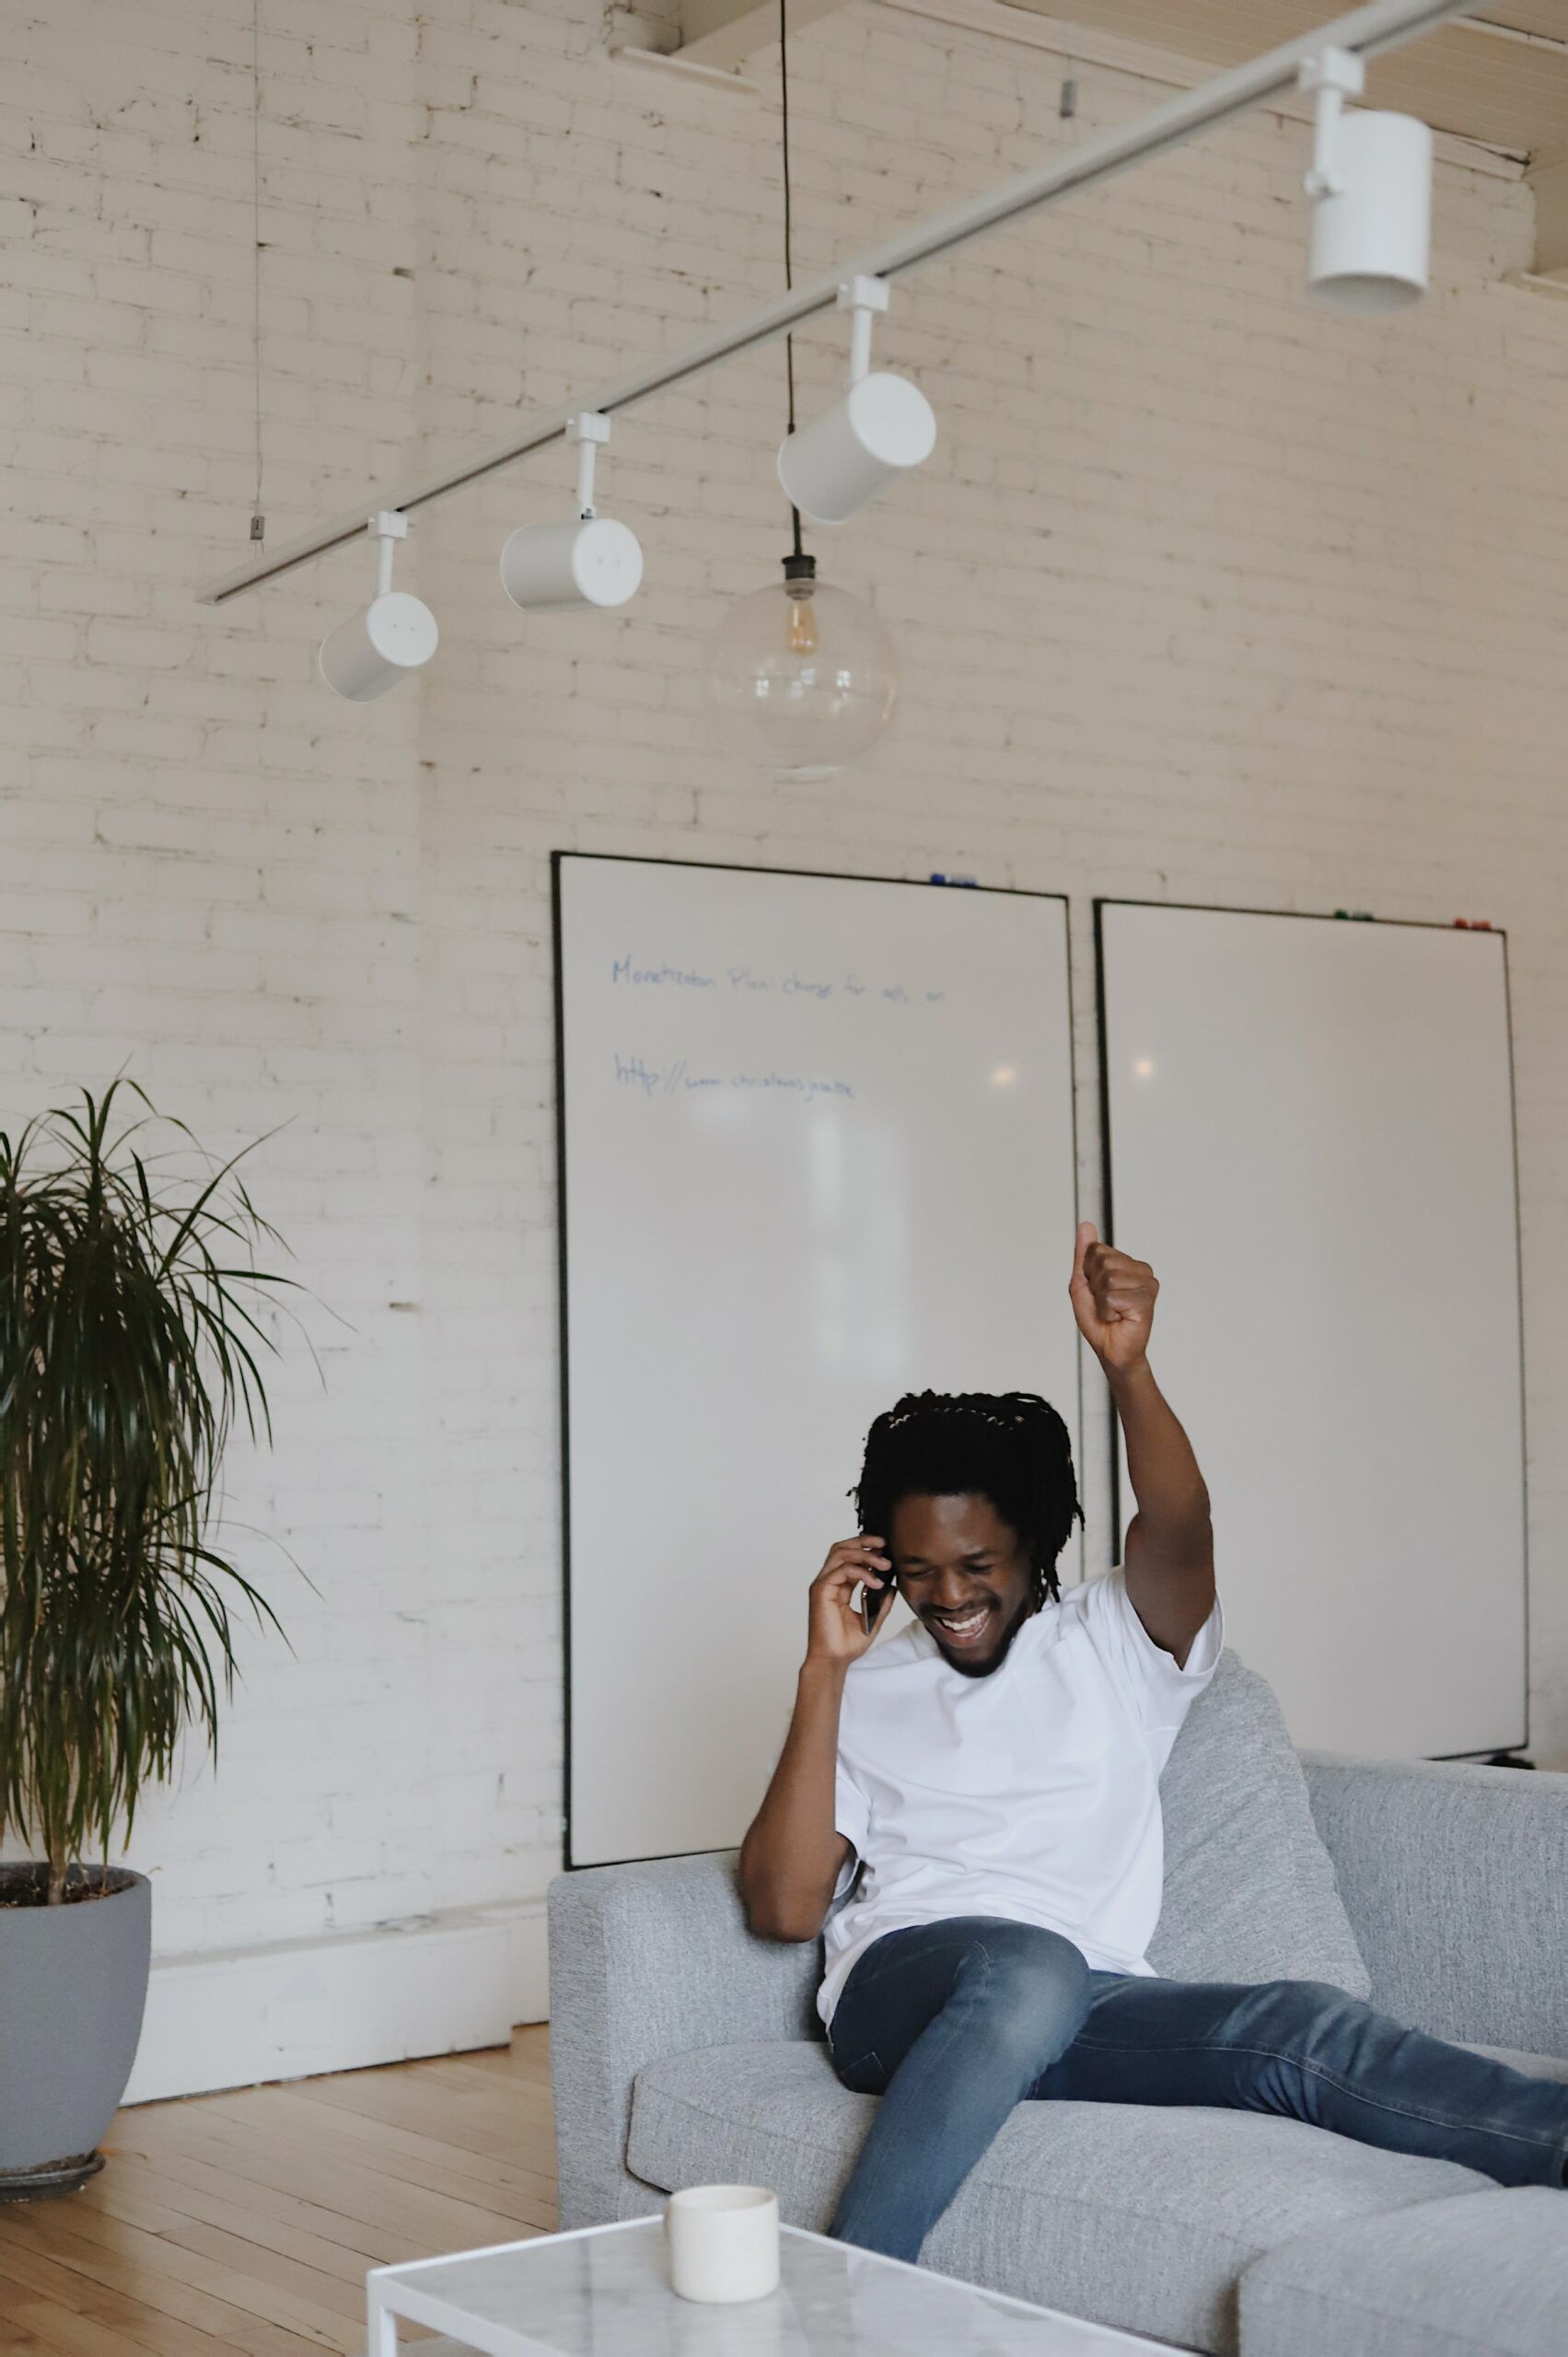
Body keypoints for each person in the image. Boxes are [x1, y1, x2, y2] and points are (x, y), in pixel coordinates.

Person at [738, 1222, 1568, 2264]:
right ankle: (843, 2290)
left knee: (1301, 2027)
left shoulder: (1110, 1641)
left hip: (1086, 1999)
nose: (946, 1594)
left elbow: (1180, 1526)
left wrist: (1125, 1366)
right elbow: (780, 1909)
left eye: (976, 1562)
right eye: (916, 1567)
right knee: (1026, 1962)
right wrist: (822, 1674)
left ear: (1036, 1541)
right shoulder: (863, 1685)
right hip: (902, 1996)